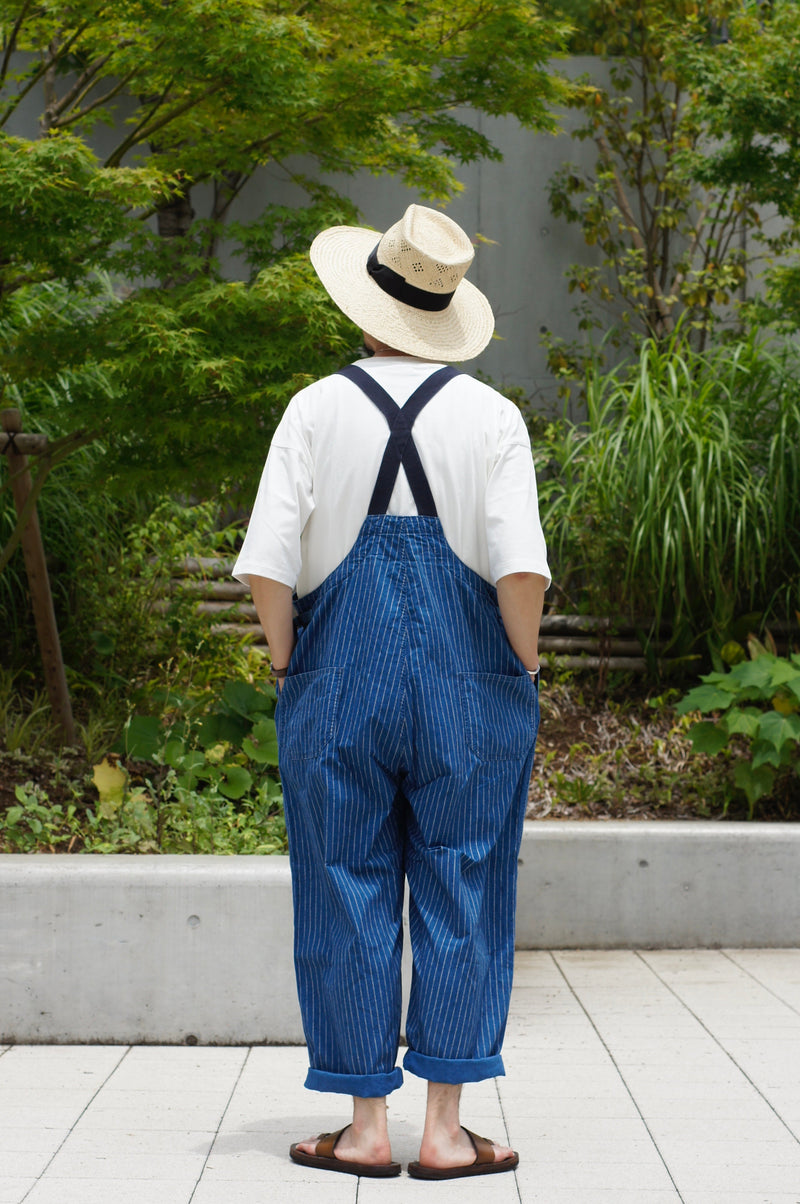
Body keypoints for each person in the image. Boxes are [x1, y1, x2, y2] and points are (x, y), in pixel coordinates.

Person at [231, 203, 550, 1181]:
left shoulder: (312, 409)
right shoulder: (491, 418)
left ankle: (366, 1126)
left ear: (364, 307)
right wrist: (518, 672)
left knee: (343, 885)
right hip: (469, 691)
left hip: (336, 686)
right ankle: (446, 1131)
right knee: (464, 888)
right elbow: (521, 574)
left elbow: (264, 567)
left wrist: (290, 663)